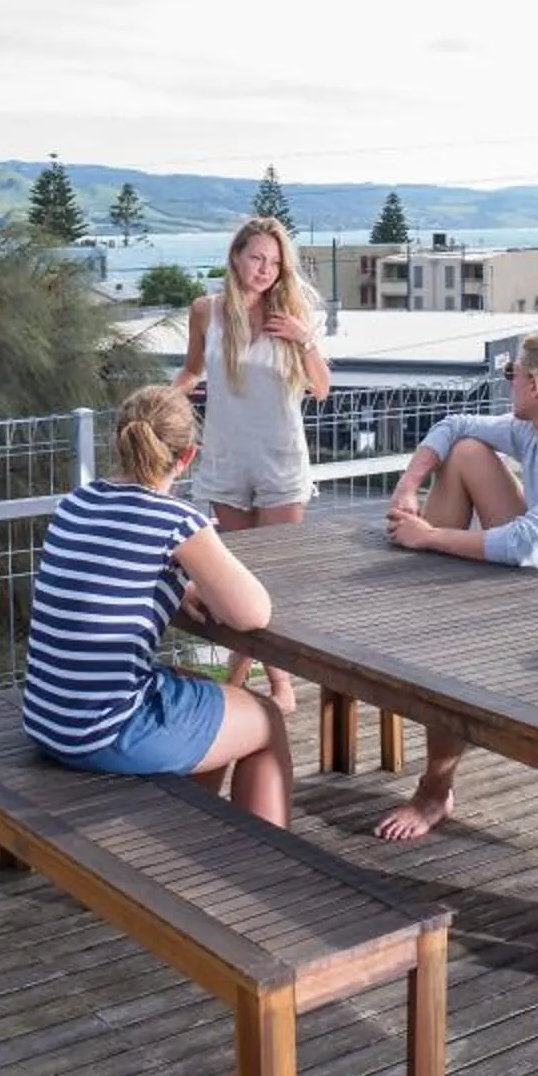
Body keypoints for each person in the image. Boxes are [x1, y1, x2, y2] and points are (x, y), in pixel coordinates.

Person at [373, 329, 538, 840]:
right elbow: (454, 424)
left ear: (536, 386)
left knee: (446, 650)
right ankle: (430, 587)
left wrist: (433, 537)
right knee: (468, 451)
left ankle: (434, 791)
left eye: (511, 375)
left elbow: (531, 544)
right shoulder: (537, 429)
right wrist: (408, 486)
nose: (507, 384)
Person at [21, 385, 295, 825]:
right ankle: (268, 867)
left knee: (204, 690)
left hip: (47, 718)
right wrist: (195, 578)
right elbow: (253, 613)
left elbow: (107, 575)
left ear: (118, 442)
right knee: (265, 719)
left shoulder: (74, 504)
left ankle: (183, 825)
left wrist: (178, 586)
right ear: (187, 458)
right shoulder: (176, 521)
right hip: (103, 731)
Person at [174, 215, 330, 712]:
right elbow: (193, 371)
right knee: (240, 578)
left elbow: (321, 388)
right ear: (236, 257)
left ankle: (256, 683)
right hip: (224, 457)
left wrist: (303, 339)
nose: (265, 270)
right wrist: (154, 402)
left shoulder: (293, 314)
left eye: (274, 262)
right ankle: (250, 684)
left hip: (280, 459)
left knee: (275, 577)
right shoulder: (206, 311)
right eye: (257, 258)